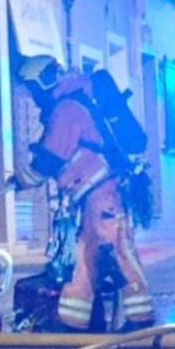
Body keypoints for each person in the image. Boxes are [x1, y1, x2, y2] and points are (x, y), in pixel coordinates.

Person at [14, 55, 154, 331]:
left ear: (43, 82)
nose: (34, 95)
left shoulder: (66, 109)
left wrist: (22, 179)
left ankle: (140, 319)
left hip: (101, 194)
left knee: (117, 253)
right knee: (86, 255)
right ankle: (74, 321)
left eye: (33, 88)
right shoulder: (75, 101)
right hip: (97, 194)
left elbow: (51, 156)